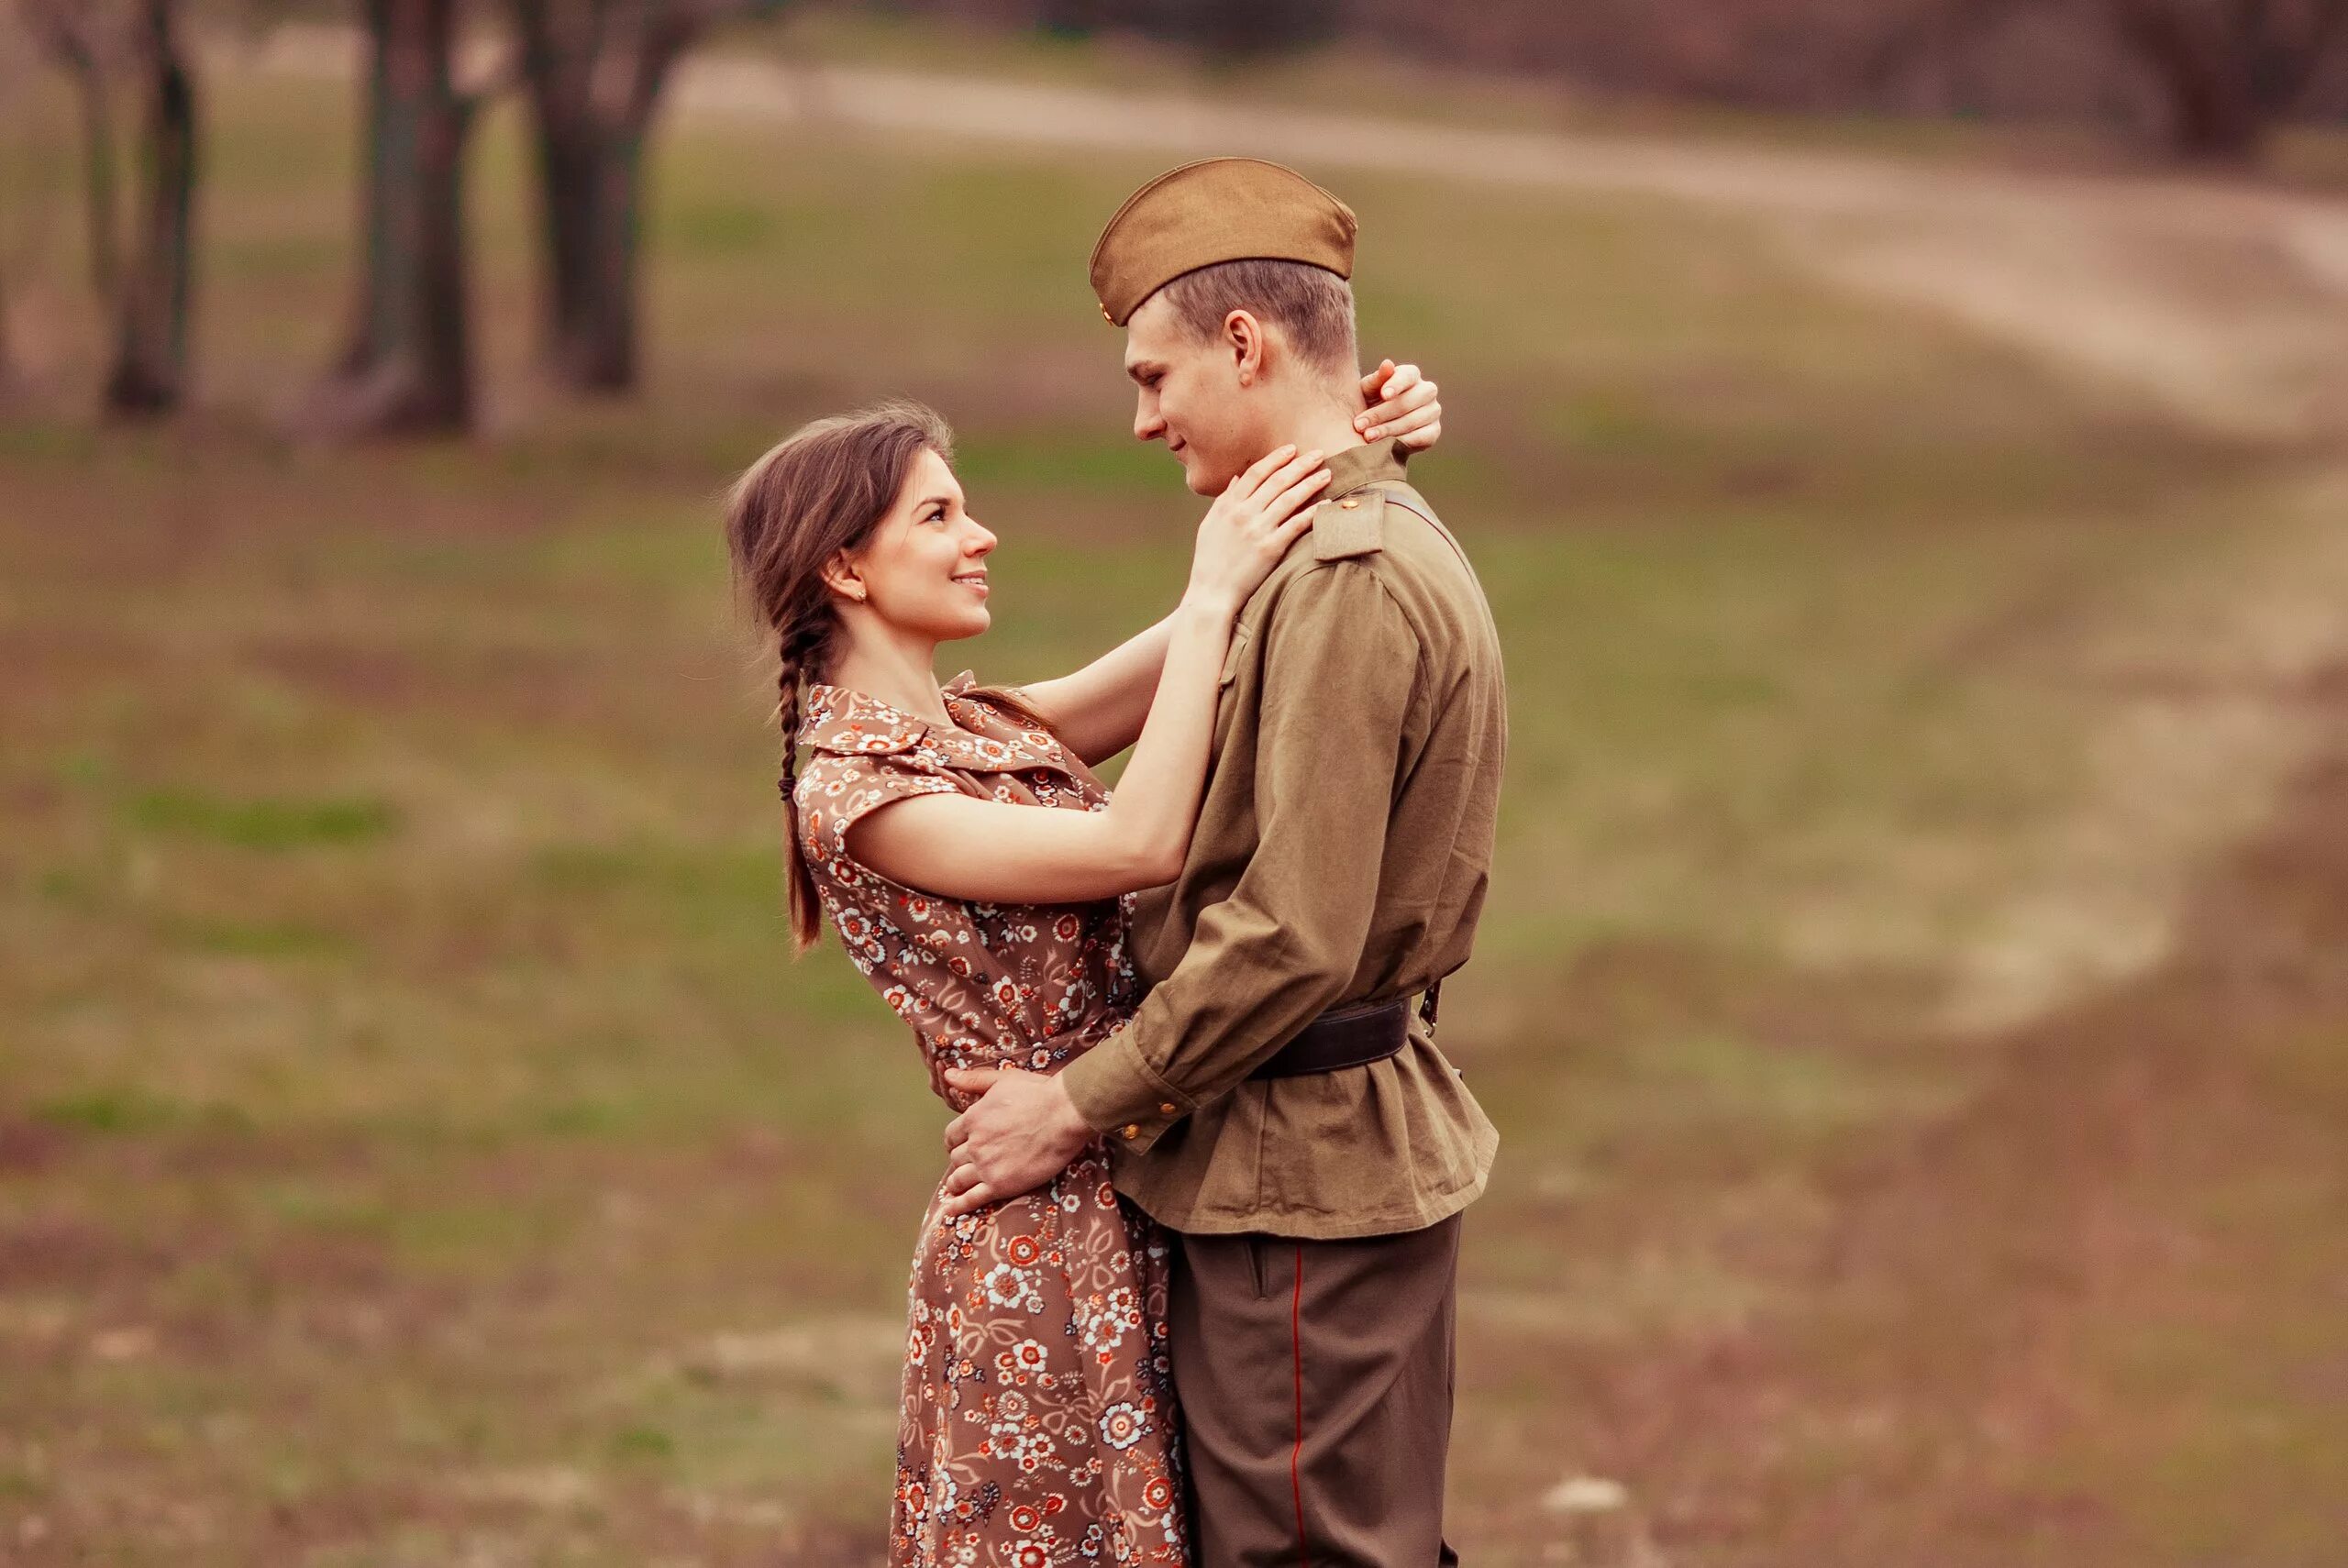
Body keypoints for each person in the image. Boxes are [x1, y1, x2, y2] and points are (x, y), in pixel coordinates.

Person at [725, 359, 1444, 1563]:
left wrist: (1348, 448)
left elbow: (1211, 627)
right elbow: (1137, 839)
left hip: (1136, 1177)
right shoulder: (857, 795)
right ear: (845, 569)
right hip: (1043, 1243)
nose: (981, 534)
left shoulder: (981, 732)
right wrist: (1211, 588)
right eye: (940, 515)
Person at [938, 157, 1508, 1568]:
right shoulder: (1325, 546)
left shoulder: (1349, 579)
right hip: (1288, 1166)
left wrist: (1072, 1104)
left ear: (1244, 346)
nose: (1141, 419)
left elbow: (1294, 933)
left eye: (1155, 374)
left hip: (1298, 1180)